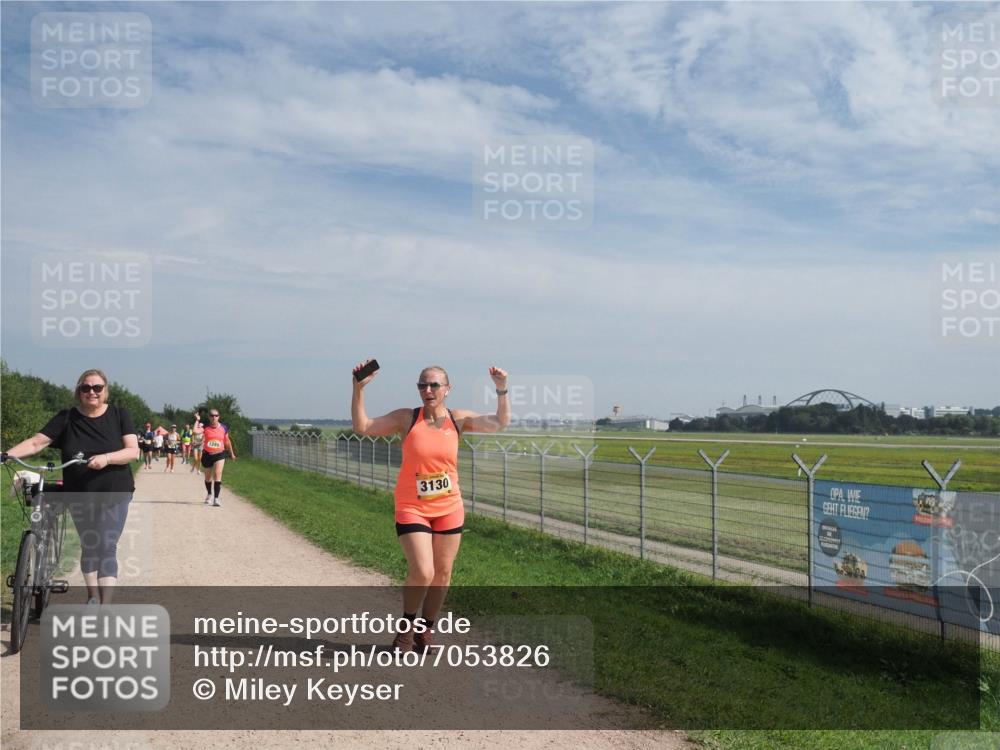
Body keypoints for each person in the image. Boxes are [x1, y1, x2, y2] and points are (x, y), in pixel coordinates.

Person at [351, 360, 509, 652]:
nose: (428, 389)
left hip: (449, 506)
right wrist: (358, 389)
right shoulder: (406, 418)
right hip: (412, 506)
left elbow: (499, 422)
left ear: (448, 389)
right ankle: (406, 630)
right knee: (423, 571)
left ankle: (426, 631)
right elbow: (362, 426)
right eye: (422, 384)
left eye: (434, 384)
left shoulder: (457, 419)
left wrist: (501, 390)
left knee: (443, 573)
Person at [1, 369, 140, 604]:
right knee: (89, 543)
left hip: (114, 491)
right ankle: (93, 597)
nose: (92, 392)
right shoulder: (67, 417)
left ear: (105, 391)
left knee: (106, 544)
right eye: (86, 388)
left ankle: (105, 606)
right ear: (79, 391)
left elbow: (132, 451)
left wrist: (106, 458)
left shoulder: (119, 414)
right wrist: (6, 454)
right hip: (80, 492)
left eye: (97, 388)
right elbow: (37, 442)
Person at [201, 409, 236, 506]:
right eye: (212, 415)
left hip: (220, 453)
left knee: (217, 473)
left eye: (216, 415)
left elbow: (227, 441)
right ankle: (209, 494)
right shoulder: (205, 428)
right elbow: (198, 435)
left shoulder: (224, 428)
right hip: (207, 454)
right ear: (209, 417)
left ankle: (216, 498)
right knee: (208, 478)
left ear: (219, 417)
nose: (214, 417)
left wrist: (231, 453)